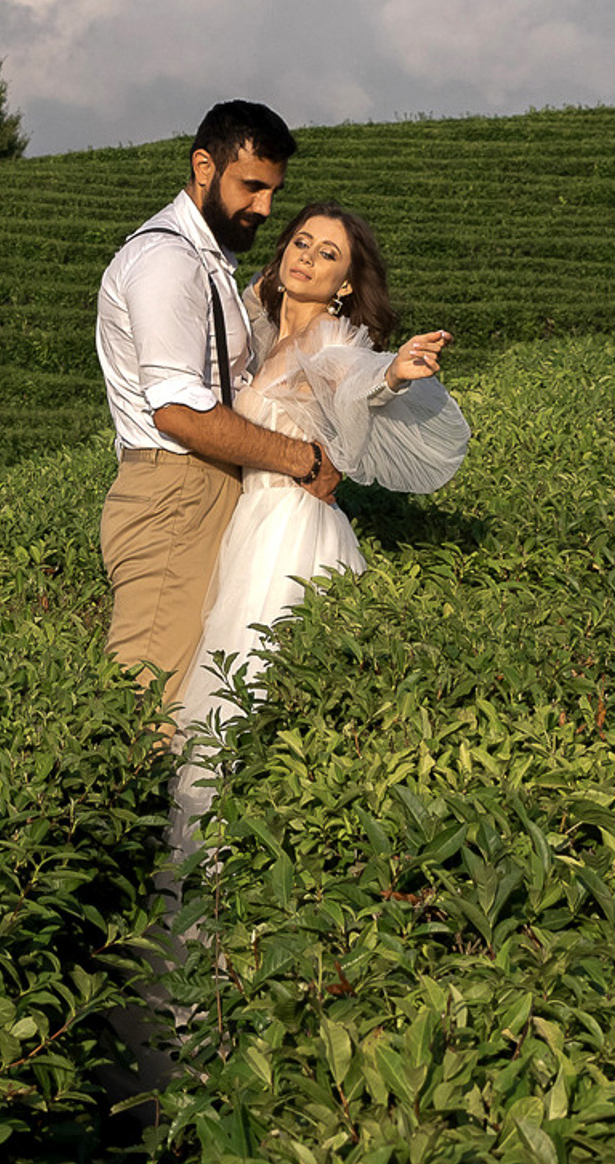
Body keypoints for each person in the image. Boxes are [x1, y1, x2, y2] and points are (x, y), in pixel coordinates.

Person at [172, 199, 469, 794]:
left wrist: (392, 373)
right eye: (301, 242)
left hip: (287, 528)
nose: (307, 258)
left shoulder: (325, 338)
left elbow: (355, 378)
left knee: (245, 685)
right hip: (247, 517)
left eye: (328, 254)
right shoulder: (262, 333)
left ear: (346, 284)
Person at [94, 102, 343, 712]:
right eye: (251, 186)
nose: (264, 207)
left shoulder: (203, 258)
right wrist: (305, 461)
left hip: (199, 488)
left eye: (273, 191)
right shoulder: (167, 262)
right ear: (204, 167)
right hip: (177, 491)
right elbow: (179, 413)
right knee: (149, 699)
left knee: (191, 698)